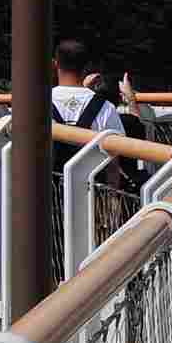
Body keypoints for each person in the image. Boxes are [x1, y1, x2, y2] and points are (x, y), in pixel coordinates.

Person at [49, 39, 134, 234]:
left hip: (45, 198)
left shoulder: (37, 103)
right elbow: (114, 161)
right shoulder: (105, 108)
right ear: (86, 67)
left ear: (55, 64)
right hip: (91, 195)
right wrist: (112, 201)